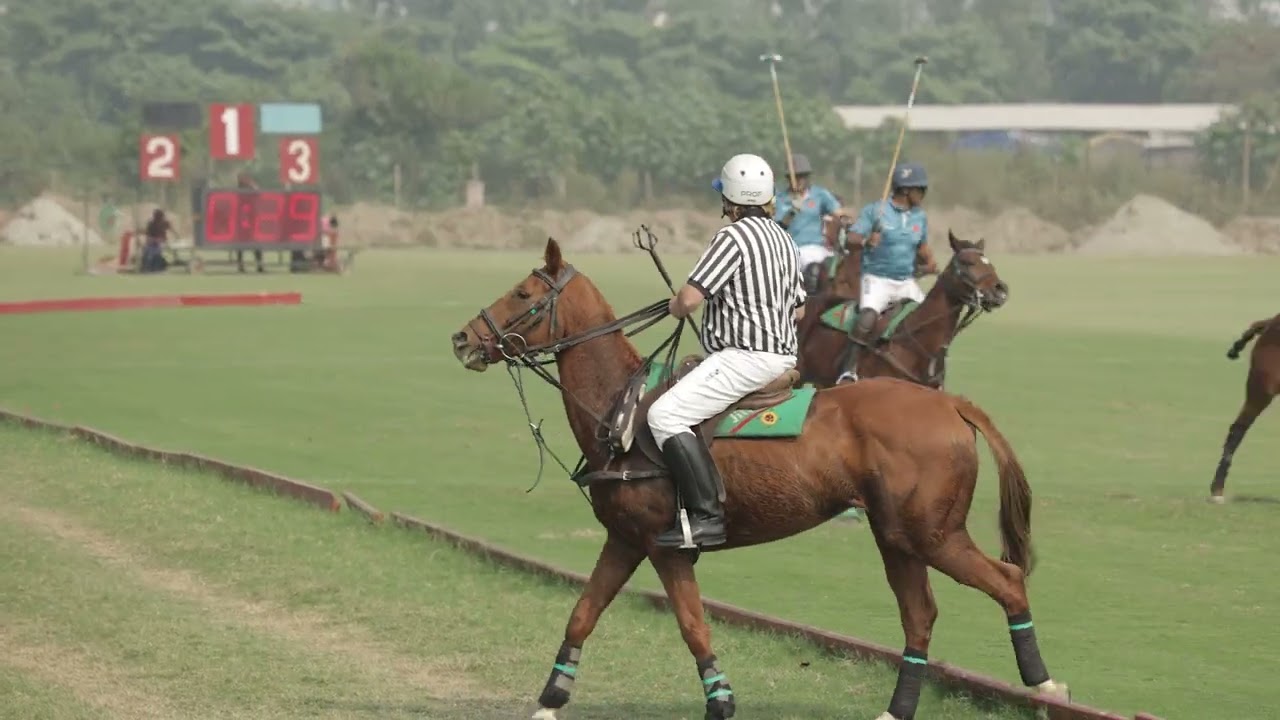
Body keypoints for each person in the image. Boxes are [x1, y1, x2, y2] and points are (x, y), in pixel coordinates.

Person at [646, 153, 807, 549]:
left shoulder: (731, 237)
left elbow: (689, 299)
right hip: (783, 355)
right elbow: (800, 308)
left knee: (663, 414)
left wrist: (675, 306)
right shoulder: (785, 238)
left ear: (729, 200)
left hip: (744, 358)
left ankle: (706, 518)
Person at [836, 161, 939, 385]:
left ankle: (931, 374)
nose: (923, 194)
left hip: (906, 282)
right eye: (920, 189)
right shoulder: (876, 211)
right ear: (905, 190)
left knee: (930, 319)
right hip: (877, 279)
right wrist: (866, 240)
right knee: (868, 316)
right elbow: (850, 239)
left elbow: (922, 247)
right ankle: (849, 370)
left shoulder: (919, 217)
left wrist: (931, 263)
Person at [772, 153, 853, 294]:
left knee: (829, 269)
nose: (798, 180)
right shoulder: (780, 199)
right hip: (791, 249)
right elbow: (778, 228)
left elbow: (838, 212)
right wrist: (792, 212)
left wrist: (848, 219)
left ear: (807, 177)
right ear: (787, 178)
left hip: (816, 248)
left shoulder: (820, 195)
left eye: (801, 176)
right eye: (794, 176)